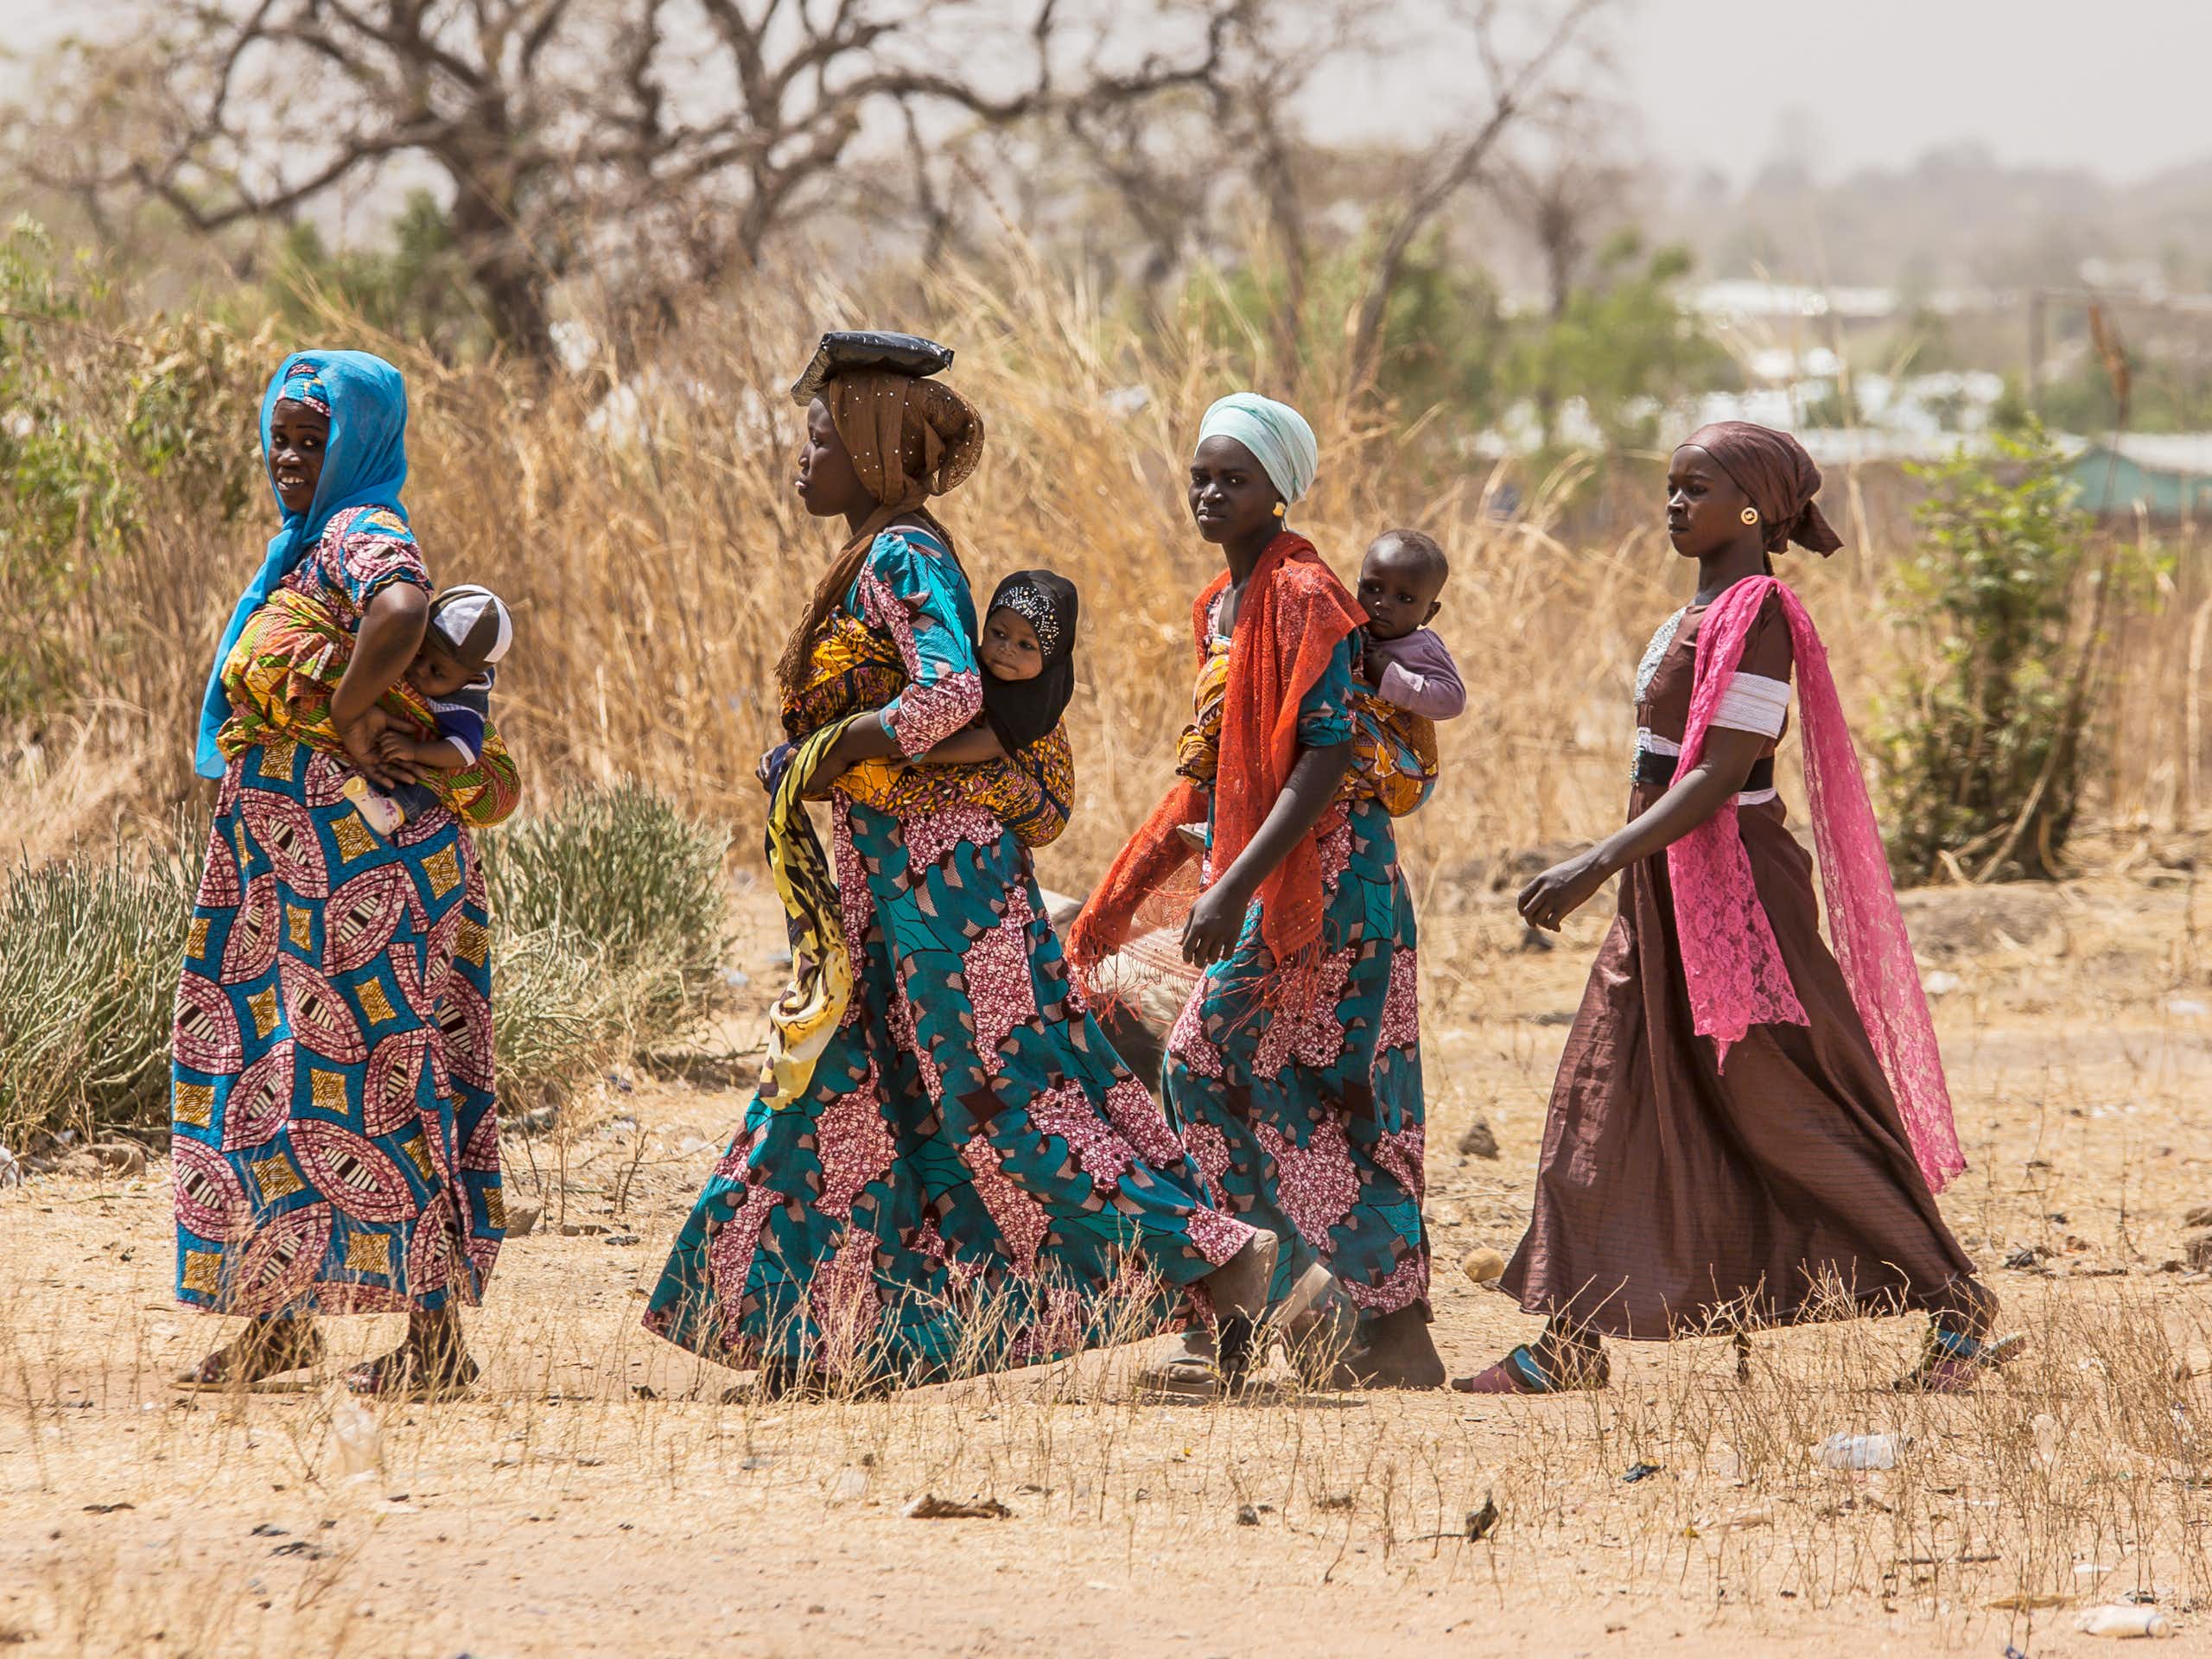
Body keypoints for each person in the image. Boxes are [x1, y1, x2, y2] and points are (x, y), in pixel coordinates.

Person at [643, 336, 1284, 1395]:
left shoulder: (904, 557)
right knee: (854, 1094)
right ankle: (832, 1337)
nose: (803, 460)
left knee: (1008, 1099)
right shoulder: (876, 554)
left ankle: (1219, 1256)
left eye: (820, 439)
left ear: (873, 452)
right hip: (889, 883)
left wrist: (833, 748)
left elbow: (947, 697)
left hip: (947, 887)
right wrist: (815, 756)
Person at [1463, 421, 2011, 1396]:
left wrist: (1596, 859)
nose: (1672, 504)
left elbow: (1719, 773)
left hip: (1734, 896)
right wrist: (1623, 869)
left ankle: (1954, 1301)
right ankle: (1571, 1341)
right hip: (1665, 887)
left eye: (1694, 488)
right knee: (1608, 1089)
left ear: (1753, 508)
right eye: (1669, 487)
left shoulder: (1755, 612)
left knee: (1779, 1101)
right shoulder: (1701, 608)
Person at [1071, 393, 1442, 1391]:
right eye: (1201, 473)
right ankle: (1341, 1324)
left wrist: (1231, 887)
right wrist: (1135, 882)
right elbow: (1216, 764)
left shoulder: (1305, 595)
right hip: (1263, 877)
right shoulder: (1219, 607)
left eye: (1232, 477)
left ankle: (1277, 1307)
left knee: (1209, 1066)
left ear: (1280, 490)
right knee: (1286, 1083)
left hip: (1329, 883)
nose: (1209, 491)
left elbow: (1323, 755)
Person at [173, 351, 518, 1398]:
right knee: (274, 1073)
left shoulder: (364, 531)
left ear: (358, 444)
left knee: (379, 1074)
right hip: (297, 862)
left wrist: (342, 714)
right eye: (280, 434)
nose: (288, 456)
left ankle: (435, 1346)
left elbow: (404, 610)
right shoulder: (306, 543)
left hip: (359, 870)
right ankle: (280, 1321)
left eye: (311, 439)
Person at [343, 584, 514, 839]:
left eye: (437, 672)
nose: (420, 670)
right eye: (418, 654)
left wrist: (415, 750)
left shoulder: (463, 705)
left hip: (431, 759)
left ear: (472, 678)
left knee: (435, 776)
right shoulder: (441, 667)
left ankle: (395, 810)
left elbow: (466, 752)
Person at [1351, 529, 1463, 817]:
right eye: (1373, 588)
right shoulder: (1353, 631)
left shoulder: (1422, 648)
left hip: (1411, 770)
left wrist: (1390, 675)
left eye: (1404, 598)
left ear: (1429, 613)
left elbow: (1452, 699)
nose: (1383, 603)